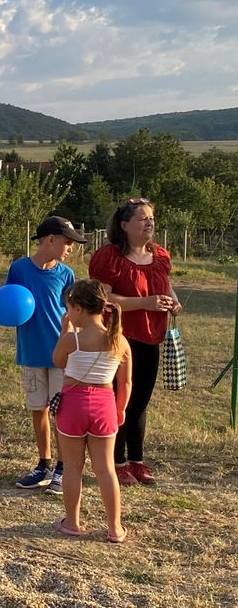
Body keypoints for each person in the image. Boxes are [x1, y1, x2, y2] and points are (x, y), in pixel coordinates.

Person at [0, 215, 85, 494]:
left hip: (61, 355)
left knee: (62, 414)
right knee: (39, 410)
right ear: (50, 240)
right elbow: (6, 302)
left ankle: (62, 469)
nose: (70, 248)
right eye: (67, 243)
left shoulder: (66, 275)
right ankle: (43, 465)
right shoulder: (19, 269)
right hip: (31, 353)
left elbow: (73, 313)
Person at [89, 197, 181, 486]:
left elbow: (165, 286)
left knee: (140, 403)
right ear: (125, 225)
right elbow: (103, 299)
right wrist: (146, 303)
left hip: (151, 336)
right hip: (119, 339)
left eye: (151, 218)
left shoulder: (160, 256)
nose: (149, 223)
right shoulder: (110, 257)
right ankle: (116, 463)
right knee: (120, 402)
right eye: (143, 218)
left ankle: (137, 461)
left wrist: (173, 302)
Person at [51, 278, 132, 543]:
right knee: (106, 469)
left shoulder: (71, 340)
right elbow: (126, 382)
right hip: (104, 404)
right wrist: (120, 410)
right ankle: (115, 527)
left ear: (78, 310)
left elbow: (57, 361)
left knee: (73, 467)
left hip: (73, 406)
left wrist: (65, 332)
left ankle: (72, 522)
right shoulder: (119, 341)